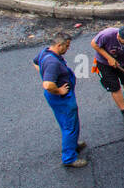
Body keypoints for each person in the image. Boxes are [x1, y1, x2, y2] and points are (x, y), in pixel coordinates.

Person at [33, 34, 87, 168]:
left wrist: (44, 73)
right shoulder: (52, 63)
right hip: (62, 98)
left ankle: (72, 144)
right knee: (70, 125)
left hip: (55, 98)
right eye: (66, 46)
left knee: (67, 123)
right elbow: (47, 85)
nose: (67, 49)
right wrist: (59, 90)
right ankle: (69, 158)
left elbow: (35, 62)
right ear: (59, 45)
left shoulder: (44, 53)